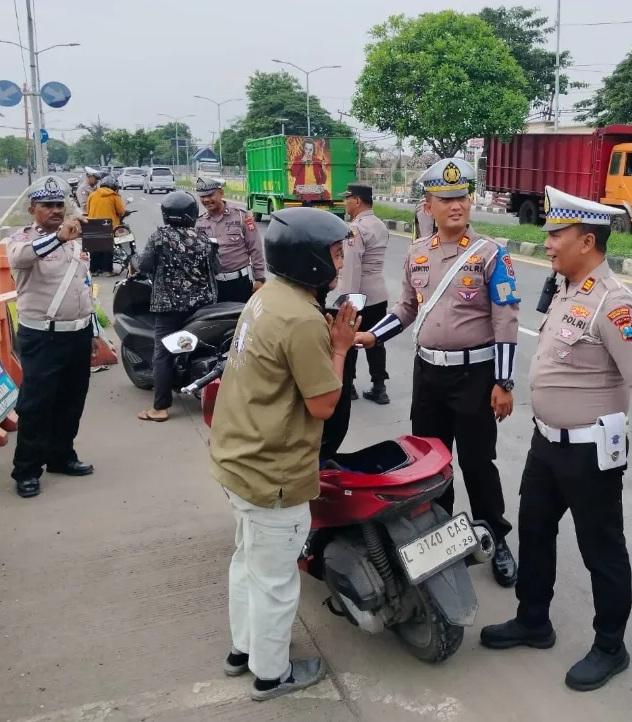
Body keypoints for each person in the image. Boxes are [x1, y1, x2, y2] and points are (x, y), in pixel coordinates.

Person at [479, 187, 632, 692]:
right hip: (547, 447)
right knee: (535, 530)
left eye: (556, 234)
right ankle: (533, 620)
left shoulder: (615, 305)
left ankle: (611, 645)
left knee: (601, 550)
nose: (546, 243)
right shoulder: (566, 288)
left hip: (591, 452)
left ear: (587, 241)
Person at [210, 207, 360, 701]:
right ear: (312, 259)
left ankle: (242, 650)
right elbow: (323, 404)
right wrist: (338, 347)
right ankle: (271, 675)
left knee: (246, 561)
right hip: (274, 468)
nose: (340, 261)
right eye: (335, 253)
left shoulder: (268, 297)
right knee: (276, 581)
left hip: (240, 458)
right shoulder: (302, 319)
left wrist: (332, 340)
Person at [355, 158, 520, 588]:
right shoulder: (416, 253)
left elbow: (505, 320)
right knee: (431, 461)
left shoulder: (489, 254)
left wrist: (504, 382)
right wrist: (374, 337)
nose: (455, 205)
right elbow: (407, 308)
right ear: (428, 204)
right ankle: (443, 536)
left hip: (476, 377)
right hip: (428, 374)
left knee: (479, 461)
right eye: (445, 199)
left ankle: (495, 538)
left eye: (462, 197)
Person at [6, 176, 98, 499]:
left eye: (60, 205)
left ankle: (61, 456)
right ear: (33, 209)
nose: (56, 210)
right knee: (36, 405)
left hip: (77, 333)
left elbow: (84, 285)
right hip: (41, 337)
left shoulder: (74, 240)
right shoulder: (21, 239)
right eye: (48, 205)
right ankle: (27, 470)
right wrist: (59, 237)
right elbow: (21, 258)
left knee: (71, 400)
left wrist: (94, 332)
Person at [134, 191, 219, 423]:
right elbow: (216, 269)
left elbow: (143, 265)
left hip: (169, 307)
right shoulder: (204, 239)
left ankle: (160, 408)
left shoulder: (160, 237)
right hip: (202, 307)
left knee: (162, 353)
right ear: (192, 214)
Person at [340, 183, 390, 405]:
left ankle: (349, 386)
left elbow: (352, 267)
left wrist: (348, 299)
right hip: (378, 293)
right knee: (376, 340)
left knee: (350, 340)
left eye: (347, 198)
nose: (345, 203)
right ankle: (379, 387)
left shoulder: (355, 229)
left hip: (359, 294)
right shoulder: (380, 225)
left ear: (357, 201)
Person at [194, 178, 265, 303]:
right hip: (212, 284)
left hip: (240, 284)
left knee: (241, 320)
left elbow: (255, 249)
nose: (206, 200)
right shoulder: (199, 222)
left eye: (210, 195)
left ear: (221, 193)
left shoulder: (241, 216)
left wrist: (259, 279)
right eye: (202, 196)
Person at [86, 175, 125, 276]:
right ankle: (108, 271)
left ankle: (93, 271)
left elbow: (88, 210)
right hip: (108, 225)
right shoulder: (114, 196)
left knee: (94, 249)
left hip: (92, 224)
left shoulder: (92, 195)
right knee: (107, 249)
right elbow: (121, 212)